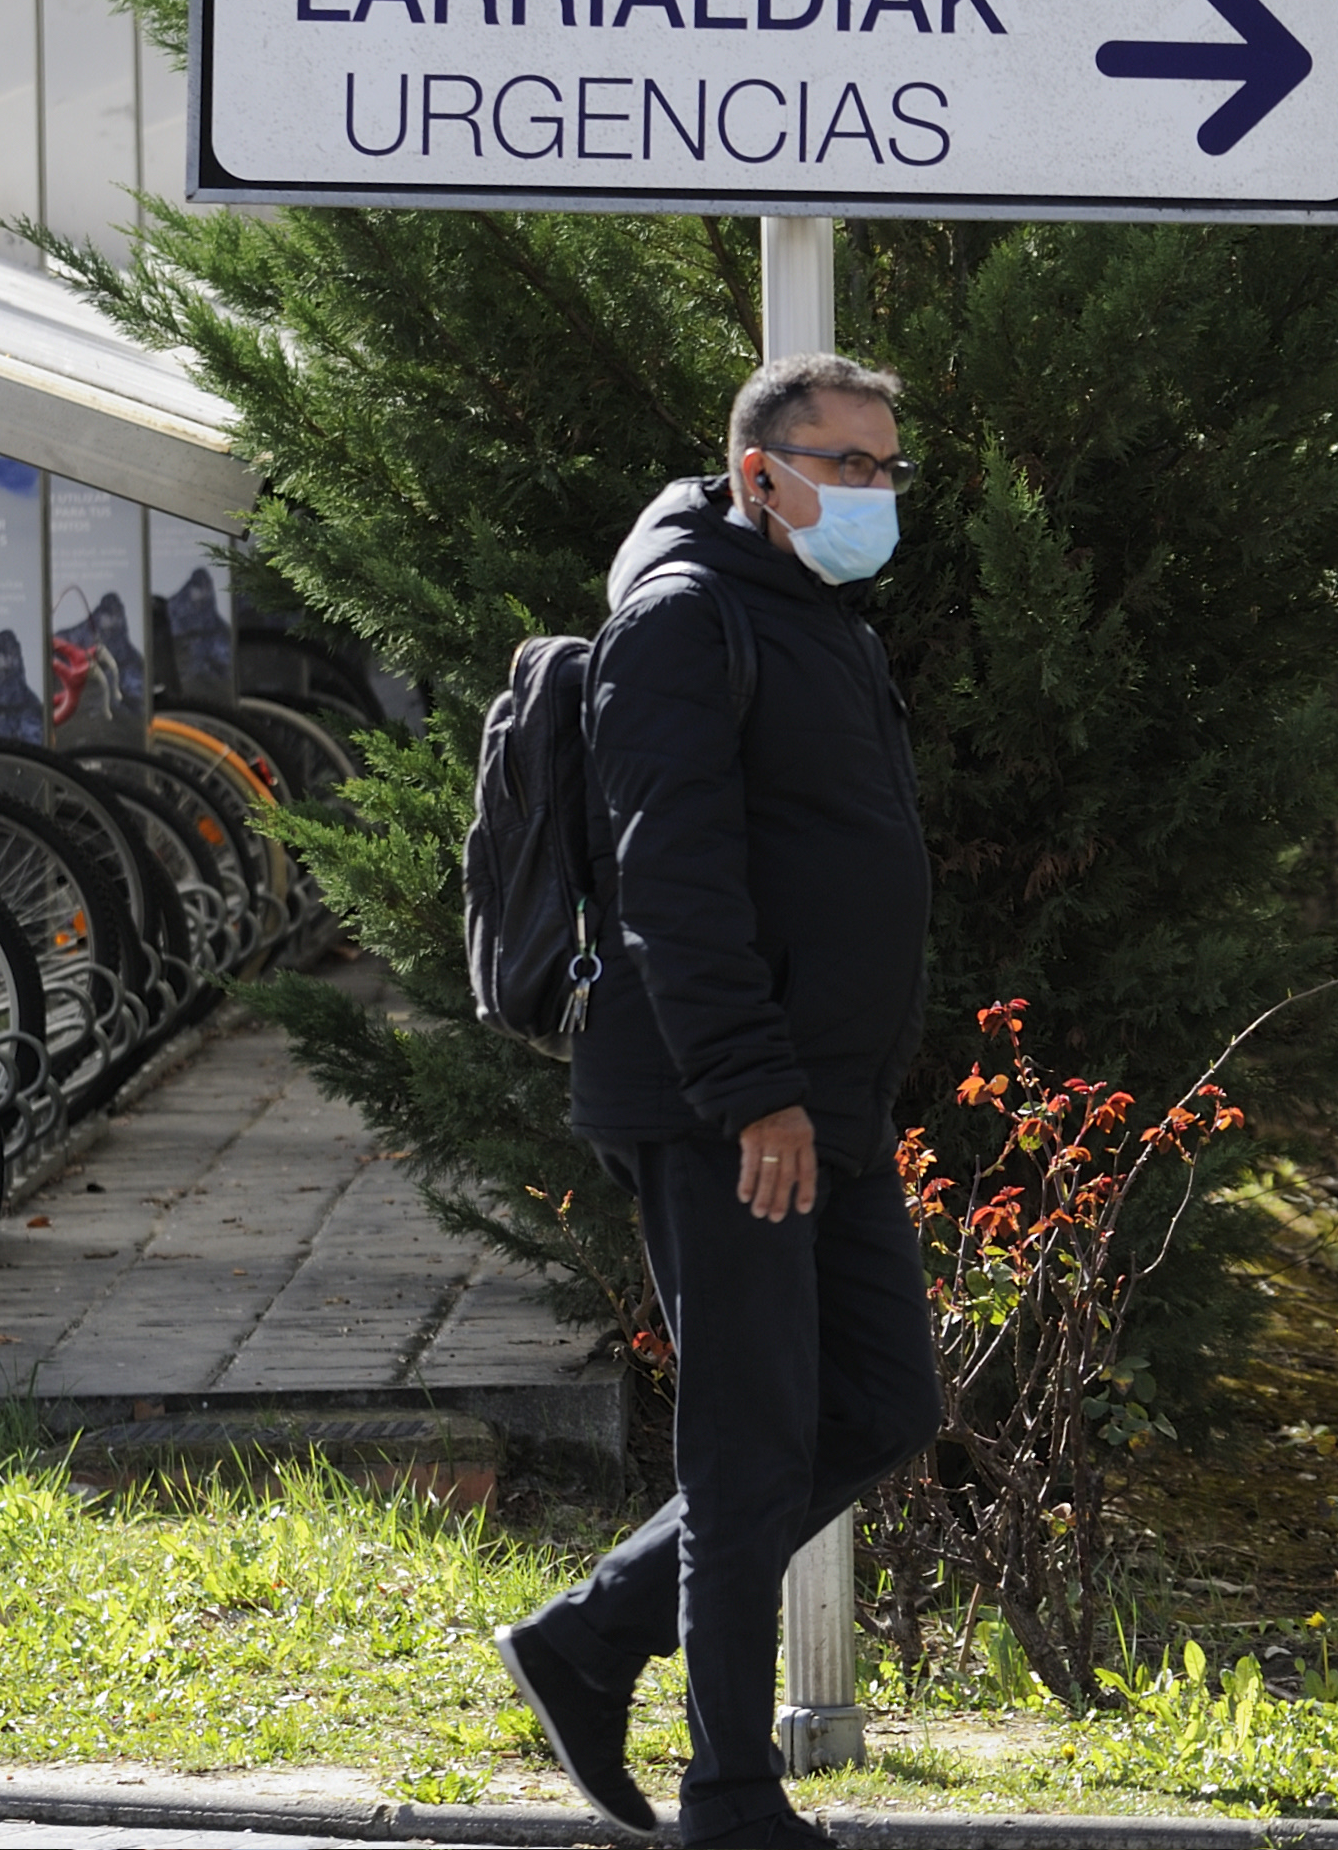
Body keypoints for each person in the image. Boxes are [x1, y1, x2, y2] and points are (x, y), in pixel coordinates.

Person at [495, 353, 942, 1850]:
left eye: (889, 467)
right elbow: (670, 888)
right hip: (725, 1103)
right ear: (761, 474)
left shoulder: (816, 616)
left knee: (882, 1399)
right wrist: (754, 1091)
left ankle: (592, 1632)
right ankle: (733, 1795)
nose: (875, 492)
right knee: (746, 1440)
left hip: (823, 1096)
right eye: (848, 464)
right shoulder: (684, 623)